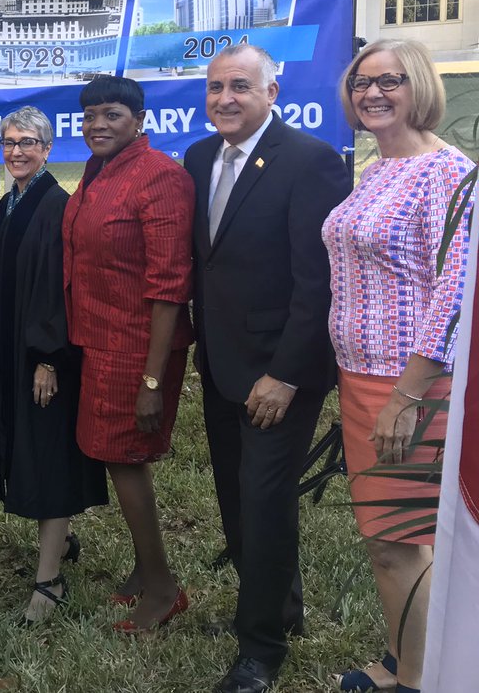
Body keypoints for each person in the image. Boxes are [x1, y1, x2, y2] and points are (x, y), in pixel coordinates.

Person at [186, 44, 352, 693]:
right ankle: (281, 607)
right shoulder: (199, 157)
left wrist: (285, 375)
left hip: (280, 372)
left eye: (240, 86)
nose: (225, 98)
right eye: (215, 87)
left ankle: (260, 650)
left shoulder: (311, 161)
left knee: (263, 502)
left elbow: (320, 284)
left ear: (272, 92)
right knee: (237, 500)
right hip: (221, 363)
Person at [323, 40, 473, 693]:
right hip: (362, 377)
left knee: (397, 540)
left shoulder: (448, 172)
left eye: (390, 81)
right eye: (361, 82)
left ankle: (418, 680)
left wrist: (407, 398)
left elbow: (455, 293)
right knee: (394, 539)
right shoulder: (380, 169)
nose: (372, 92)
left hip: (409, 384)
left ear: (420, 87)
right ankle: (401, 659)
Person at [61, 77, 194, 633]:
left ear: (139, 120)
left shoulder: (159, 176)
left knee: (122, 456)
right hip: (98, 338)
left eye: (111, 114)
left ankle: (163, 589)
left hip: (136, 347)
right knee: (118, 456)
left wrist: (152, 381)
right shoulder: (100, 170)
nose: (97, 124)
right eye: (89, 115)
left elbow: (170, 284)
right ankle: (145, 568)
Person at [0, 106, 108, 622]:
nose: (17, 151)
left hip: (44, 357)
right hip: (13, 350)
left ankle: (49, 581)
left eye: (28, 142)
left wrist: (48, 360)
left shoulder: (57, 206)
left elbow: (60, 289)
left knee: (48, 459)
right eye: (9, 142)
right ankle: (63, 542)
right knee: (32, 451)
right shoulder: (9, 203)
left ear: (48, 149)